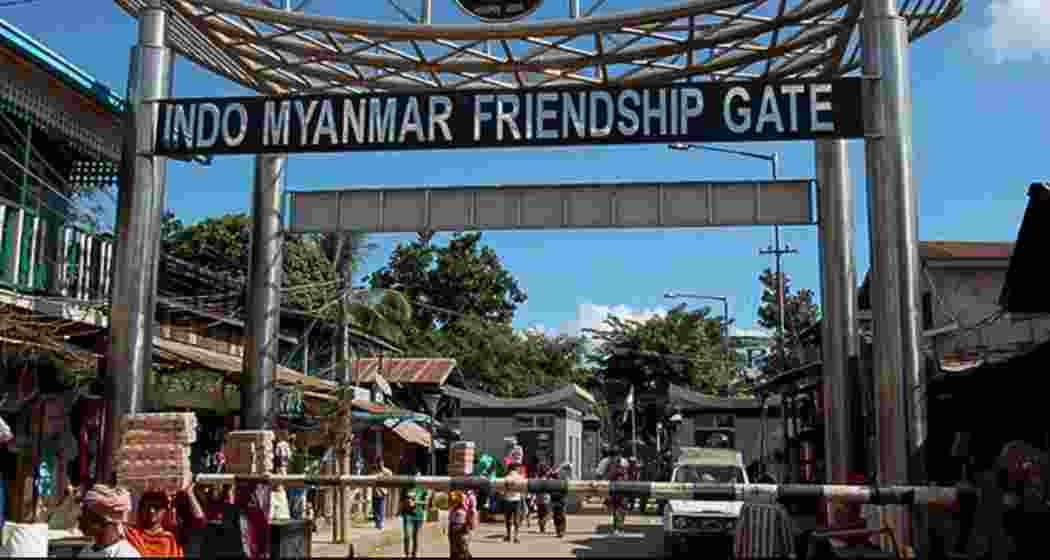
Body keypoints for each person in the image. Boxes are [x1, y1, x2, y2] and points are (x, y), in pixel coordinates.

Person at [77, 484, 141, 558]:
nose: (80, 518)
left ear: (104, 519)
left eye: (85, 514)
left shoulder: (126, 554)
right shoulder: (87, 550)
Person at [125, 491, 183, 557]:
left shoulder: (170, 540)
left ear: (165, 511)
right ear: (141, 510)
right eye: (147, 506)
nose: (151, 511)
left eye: (156, 507)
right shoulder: (131, 534)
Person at [399, 470, 429, 559]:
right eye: (416, 476)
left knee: (416, 537)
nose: (417, 478)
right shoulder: (406, 487)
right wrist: (405, 504)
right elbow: (401, 500)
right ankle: (407, 554)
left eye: (419, 476)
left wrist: (416, 502)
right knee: (407, 535)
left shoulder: (423, 488)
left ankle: (414, 554)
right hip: (407, 514)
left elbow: (426, 503)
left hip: (418, 515)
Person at [604, 448, 629, 536]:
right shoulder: (613, 465)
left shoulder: (618, 465)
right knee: (618, 510)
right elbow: (609, 477)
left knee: (619, 510)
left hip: (619, 491)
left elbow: (609, 477)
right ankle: (618, 528)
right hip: (616, 491)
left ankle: (618, 528)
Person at [502, 462, 526, 543]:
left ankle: (508, 535)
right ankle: (516, 536)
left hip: (507, 500)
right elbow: (523, 489)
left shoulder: (506, 477)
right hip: (517, 499)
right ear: (516, 469)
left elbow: (502, 491)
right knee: (516, 518)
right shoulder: (520, 477)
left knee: (508, 519)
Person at [447, 491, 472, 560]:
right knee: (454, 549)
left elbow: (467, 521)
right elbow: (450, 520)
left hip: (460, 529)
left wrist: (465, 529)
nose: (451, 503)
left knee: (462, 548)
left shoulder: (463, 509)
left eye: (453, 501)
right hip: (453, 529)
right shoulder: (452, 509)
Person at [549, 464, 572, 539]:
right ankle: (558, 530)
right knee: (556, 515)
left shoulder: (565, 478)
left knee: (561, 515)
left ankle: (561, 531)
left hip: (561, 498)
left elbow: (566, 489)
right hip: (555, 498)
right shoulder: (554, 476)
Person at [370, 458, 393, 529]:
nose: (380, 464)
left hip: (382, 492)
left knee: (381, 508)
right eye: (378, 463)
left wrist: (386, 489)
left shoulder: (387, 471)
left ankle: (381, 522)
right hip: (374, 492)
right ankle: (377, 522)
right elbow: (371, 478)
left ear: (383, 463)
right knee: (375, 508)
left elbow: (391, 479)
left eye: (381, 462)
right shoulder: (374, 470)